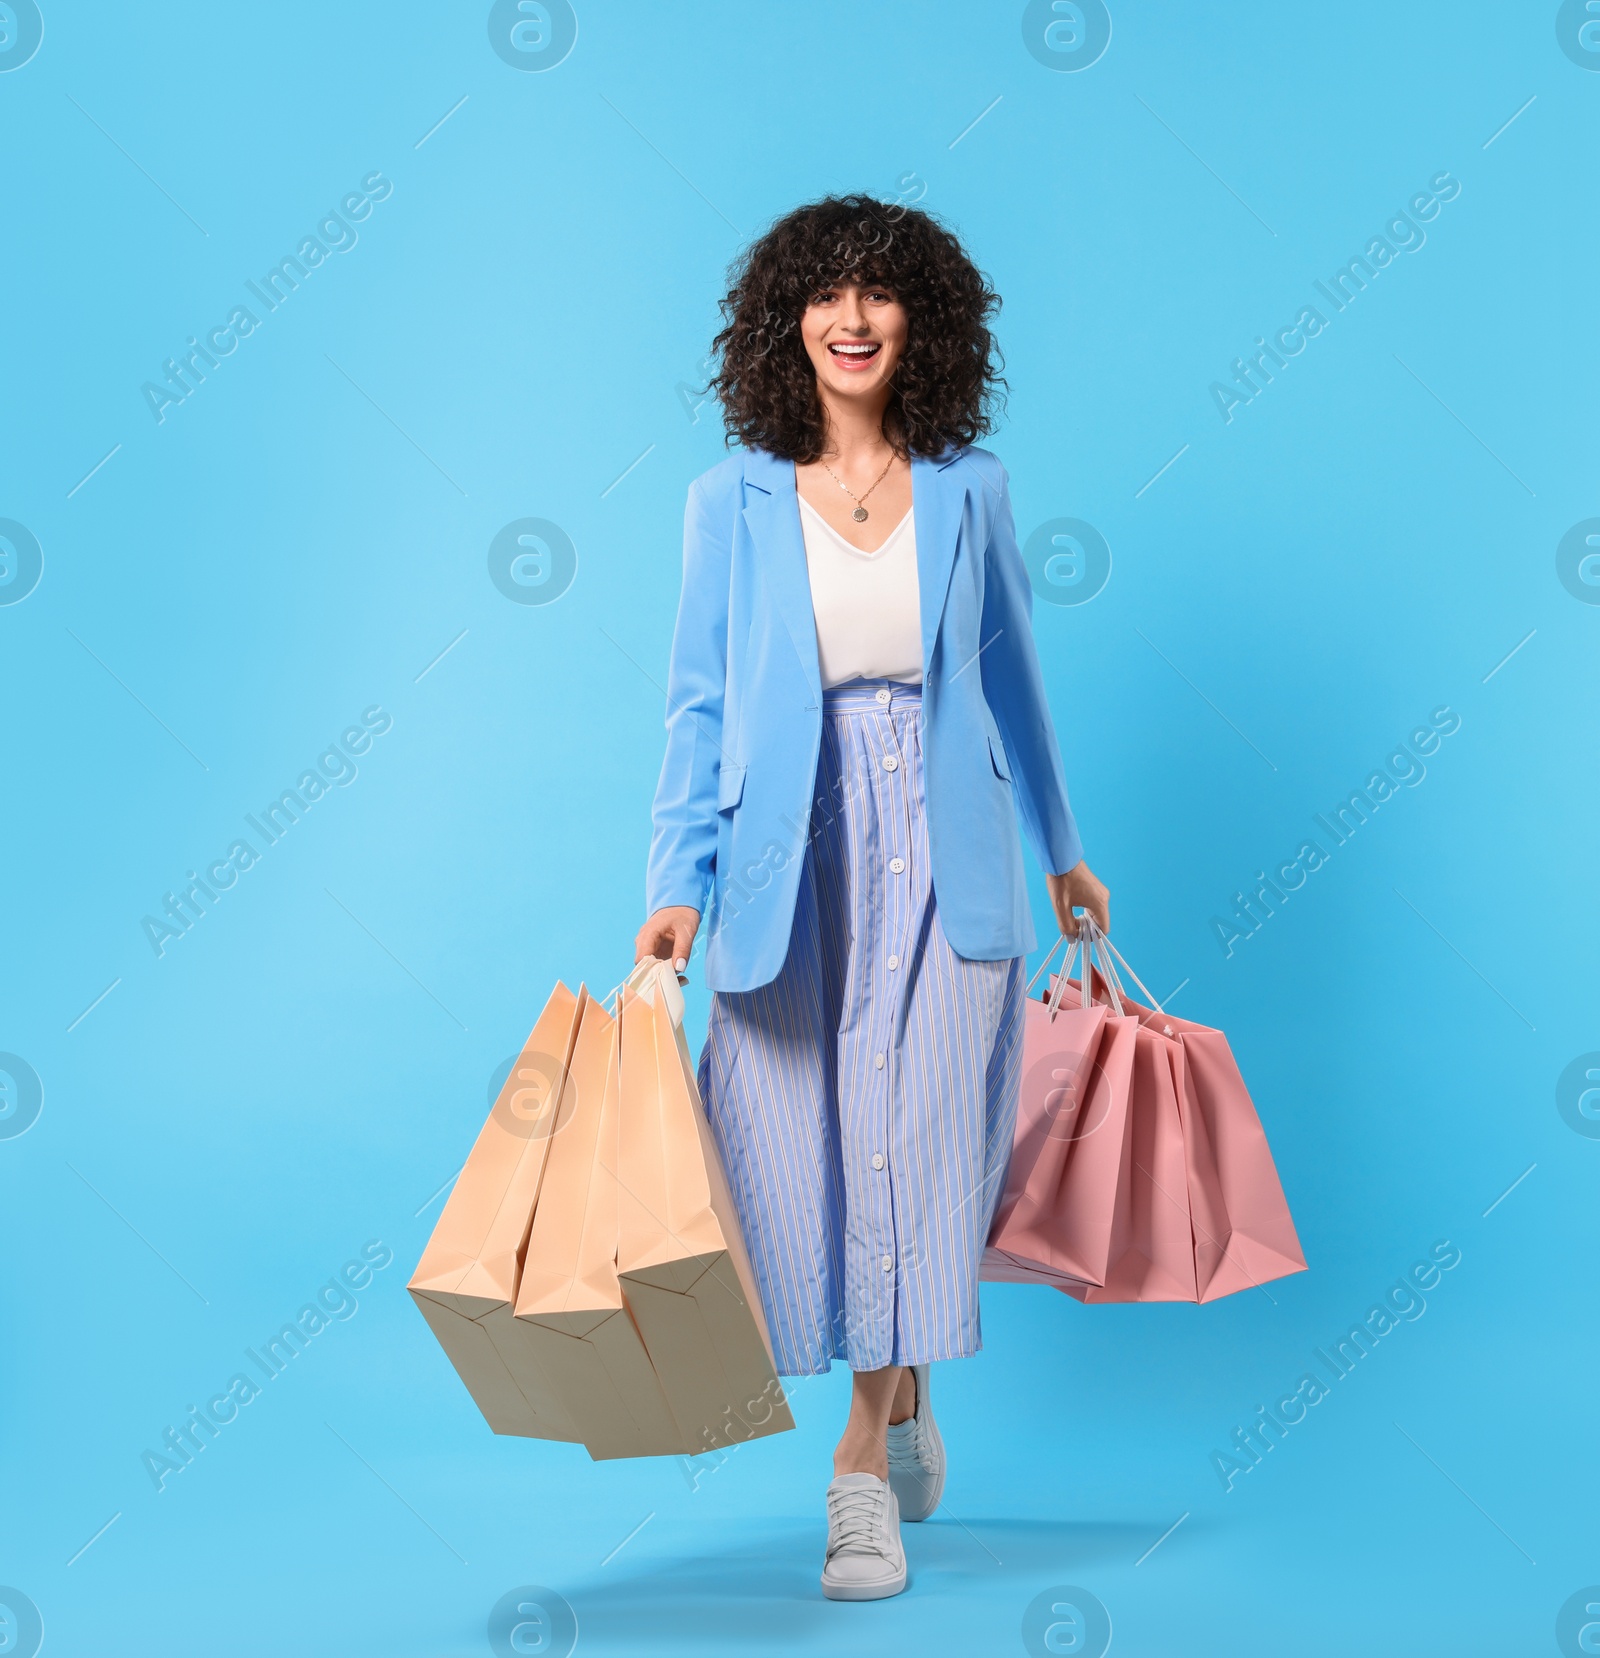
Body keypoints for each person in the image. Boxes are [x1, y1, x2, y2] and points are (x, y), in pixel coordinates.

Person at [634, 194, 1108, 1601]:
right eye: (826, 295)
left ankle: (857, 1462)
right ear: (788, 320)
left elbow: (1015, 677)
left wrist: (1065, 846)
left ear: (923, 322)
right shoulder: (729, 501)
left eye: (881, 295)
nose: (853, 319)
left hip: (951, 848)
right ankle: (905, 1395)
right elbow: (697, 707)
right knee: (798, 1151)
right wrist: (675, 886)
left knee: (922, 1131)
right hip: (794, 858)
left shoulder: (974, 488)